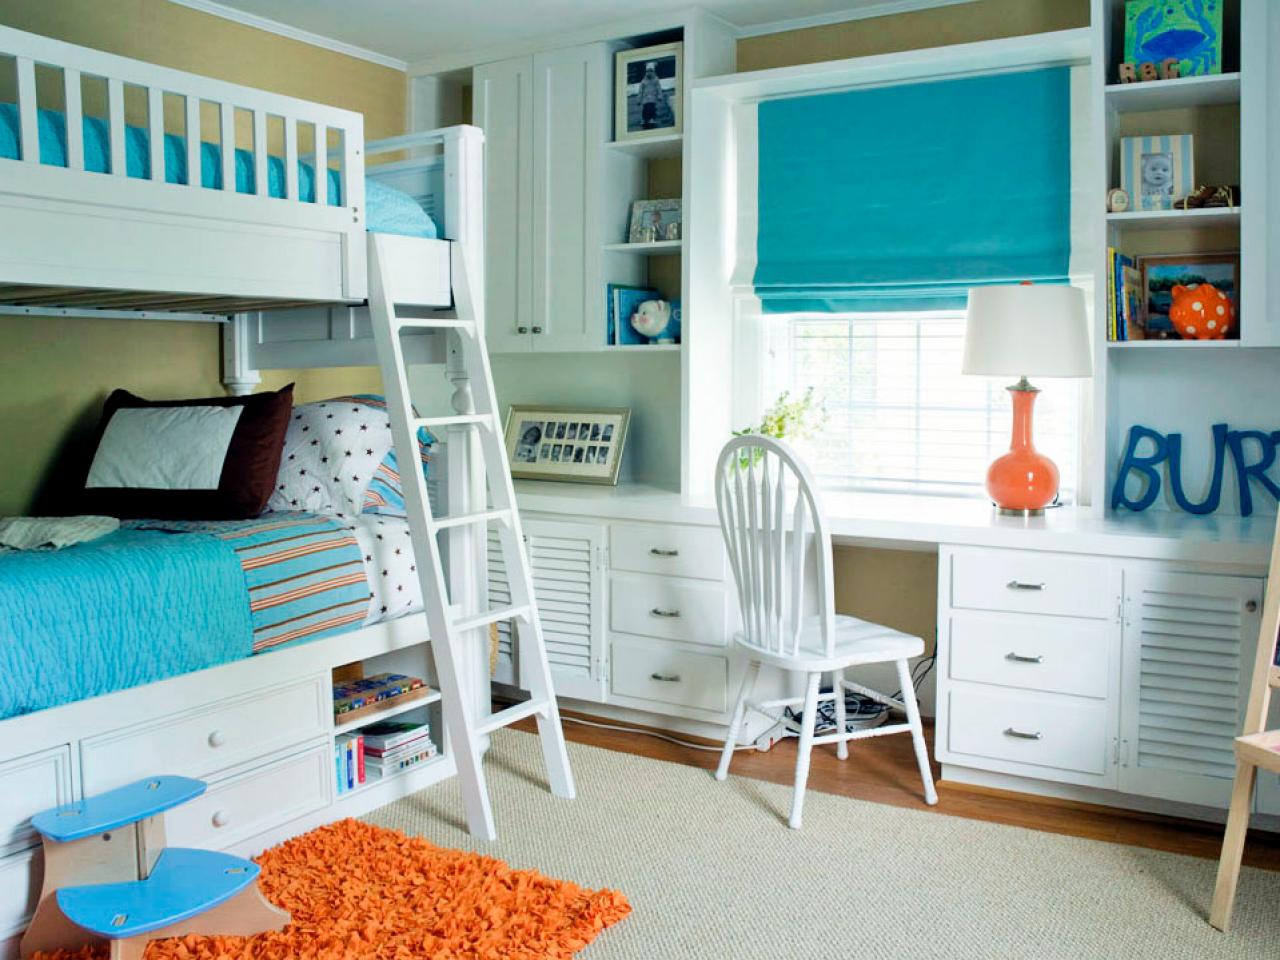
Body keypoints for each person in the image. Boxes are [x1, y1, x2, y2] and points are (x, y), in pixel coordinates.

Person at [637, 61, 666, 130]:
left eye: (651, 71)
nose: (649, 73)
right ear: (646, 72)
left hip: (653, 98)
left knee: (652, 109)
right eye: (648, 71)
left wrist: (660, 96)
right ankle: (644, 119)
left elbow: (658, 88)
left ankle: (651, 119)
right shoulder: (643, 81)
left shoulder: (656, 80)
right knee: (645, 110)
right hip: (645, 99)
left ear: (653, 72)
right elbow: (640, 91)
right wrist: (639, 99)